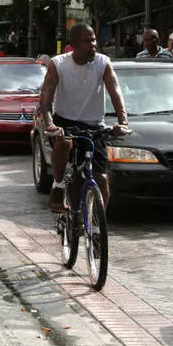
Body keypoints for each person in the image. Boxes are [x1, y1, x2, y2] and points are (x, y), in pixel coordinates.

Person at [39, 23, 130, 213]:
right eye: (88, 41)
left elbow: (115, 91)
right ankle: (58, 185)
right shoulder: (59, 64)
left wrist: (123, 122)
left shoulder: (103, 62)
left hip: (95, 124)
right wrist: (50, 124)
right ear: (73, 43)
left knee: (102, 178)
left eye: (94, 39)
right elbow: (46, 100)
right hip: (65, 121)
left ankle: (97, 223)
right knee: (63, 142)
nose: (93, 44)